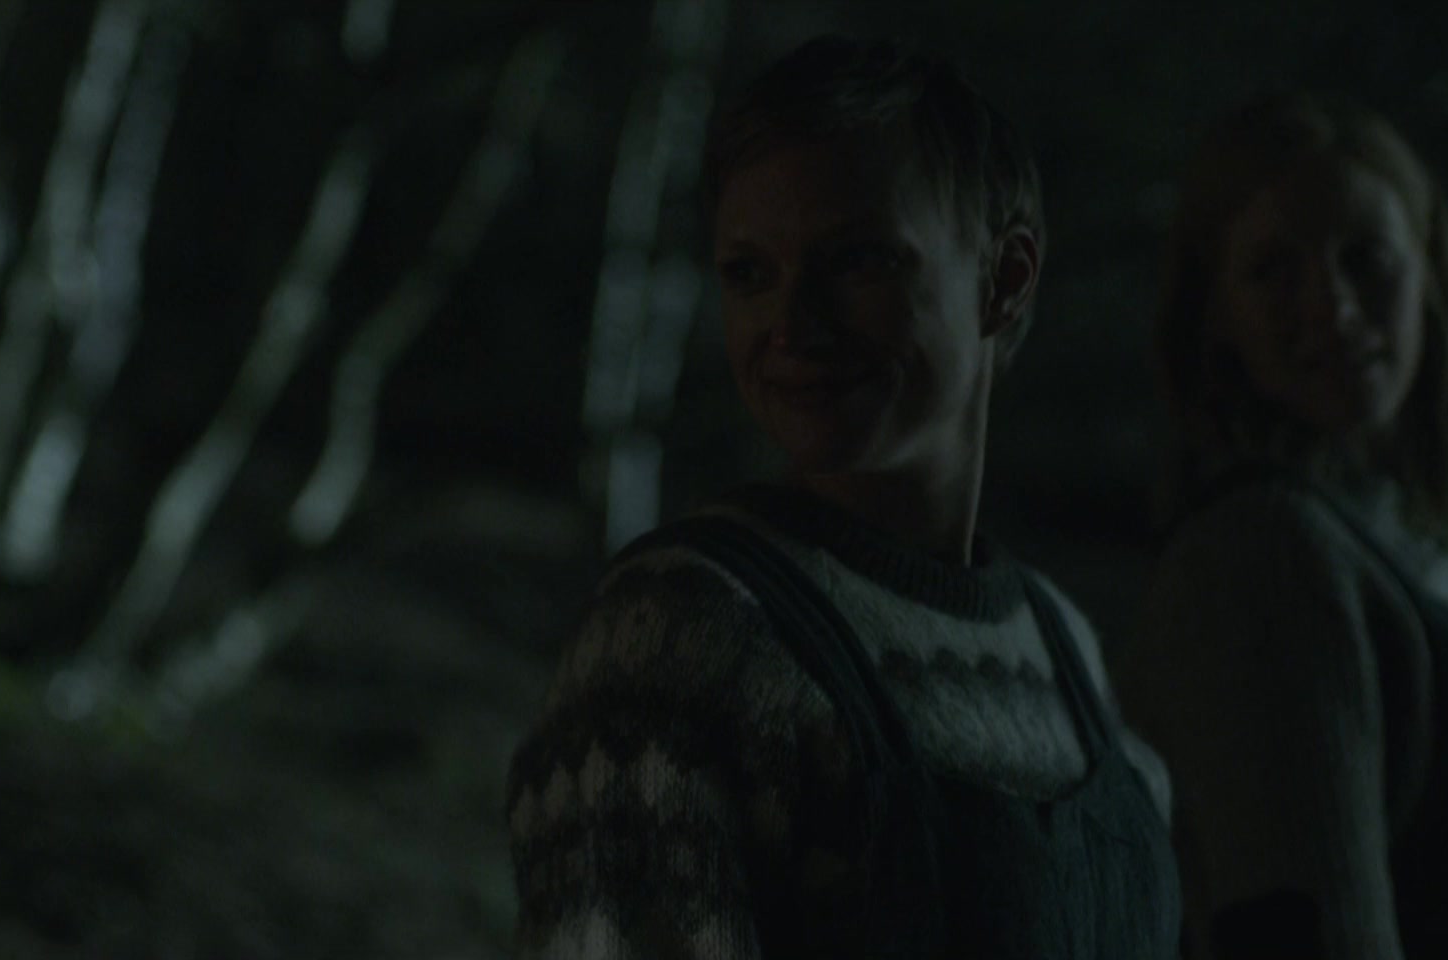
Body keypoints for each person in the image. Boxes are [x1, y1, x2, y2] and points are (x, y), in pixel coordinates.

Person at [505, 35, 1179, 958]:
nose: (792, 324)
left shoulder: (1061, 649)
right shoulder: (684, 638)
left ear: (1004, 279)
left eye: (858, 260)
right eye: (750, 273)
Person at [1117, 92, 1448, 959]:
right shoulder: (1260, 558)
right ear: (1215, 312)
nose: (1331, 308)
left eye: (1365, 257)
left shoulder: (1430, 564)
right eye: (1273, 270)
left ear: (1428, 273)